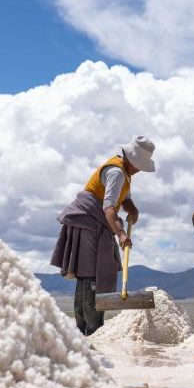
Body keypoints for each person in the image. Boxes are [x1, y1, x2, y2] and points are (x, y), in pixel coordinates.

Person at [50, 136, 155, 336]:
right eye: (139, 165)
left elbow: (123, 198)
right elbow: (108, 207)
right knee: (91, 276)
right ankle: (91, 330)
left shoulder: (123, 171)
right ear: (131, 159)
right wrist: (122, 234)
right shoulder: (117, 173)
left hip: (92, 223)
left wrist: (132, 209)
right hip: (89, 223)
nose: (140, 170)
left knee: (88, 275)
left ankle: (84, 330)